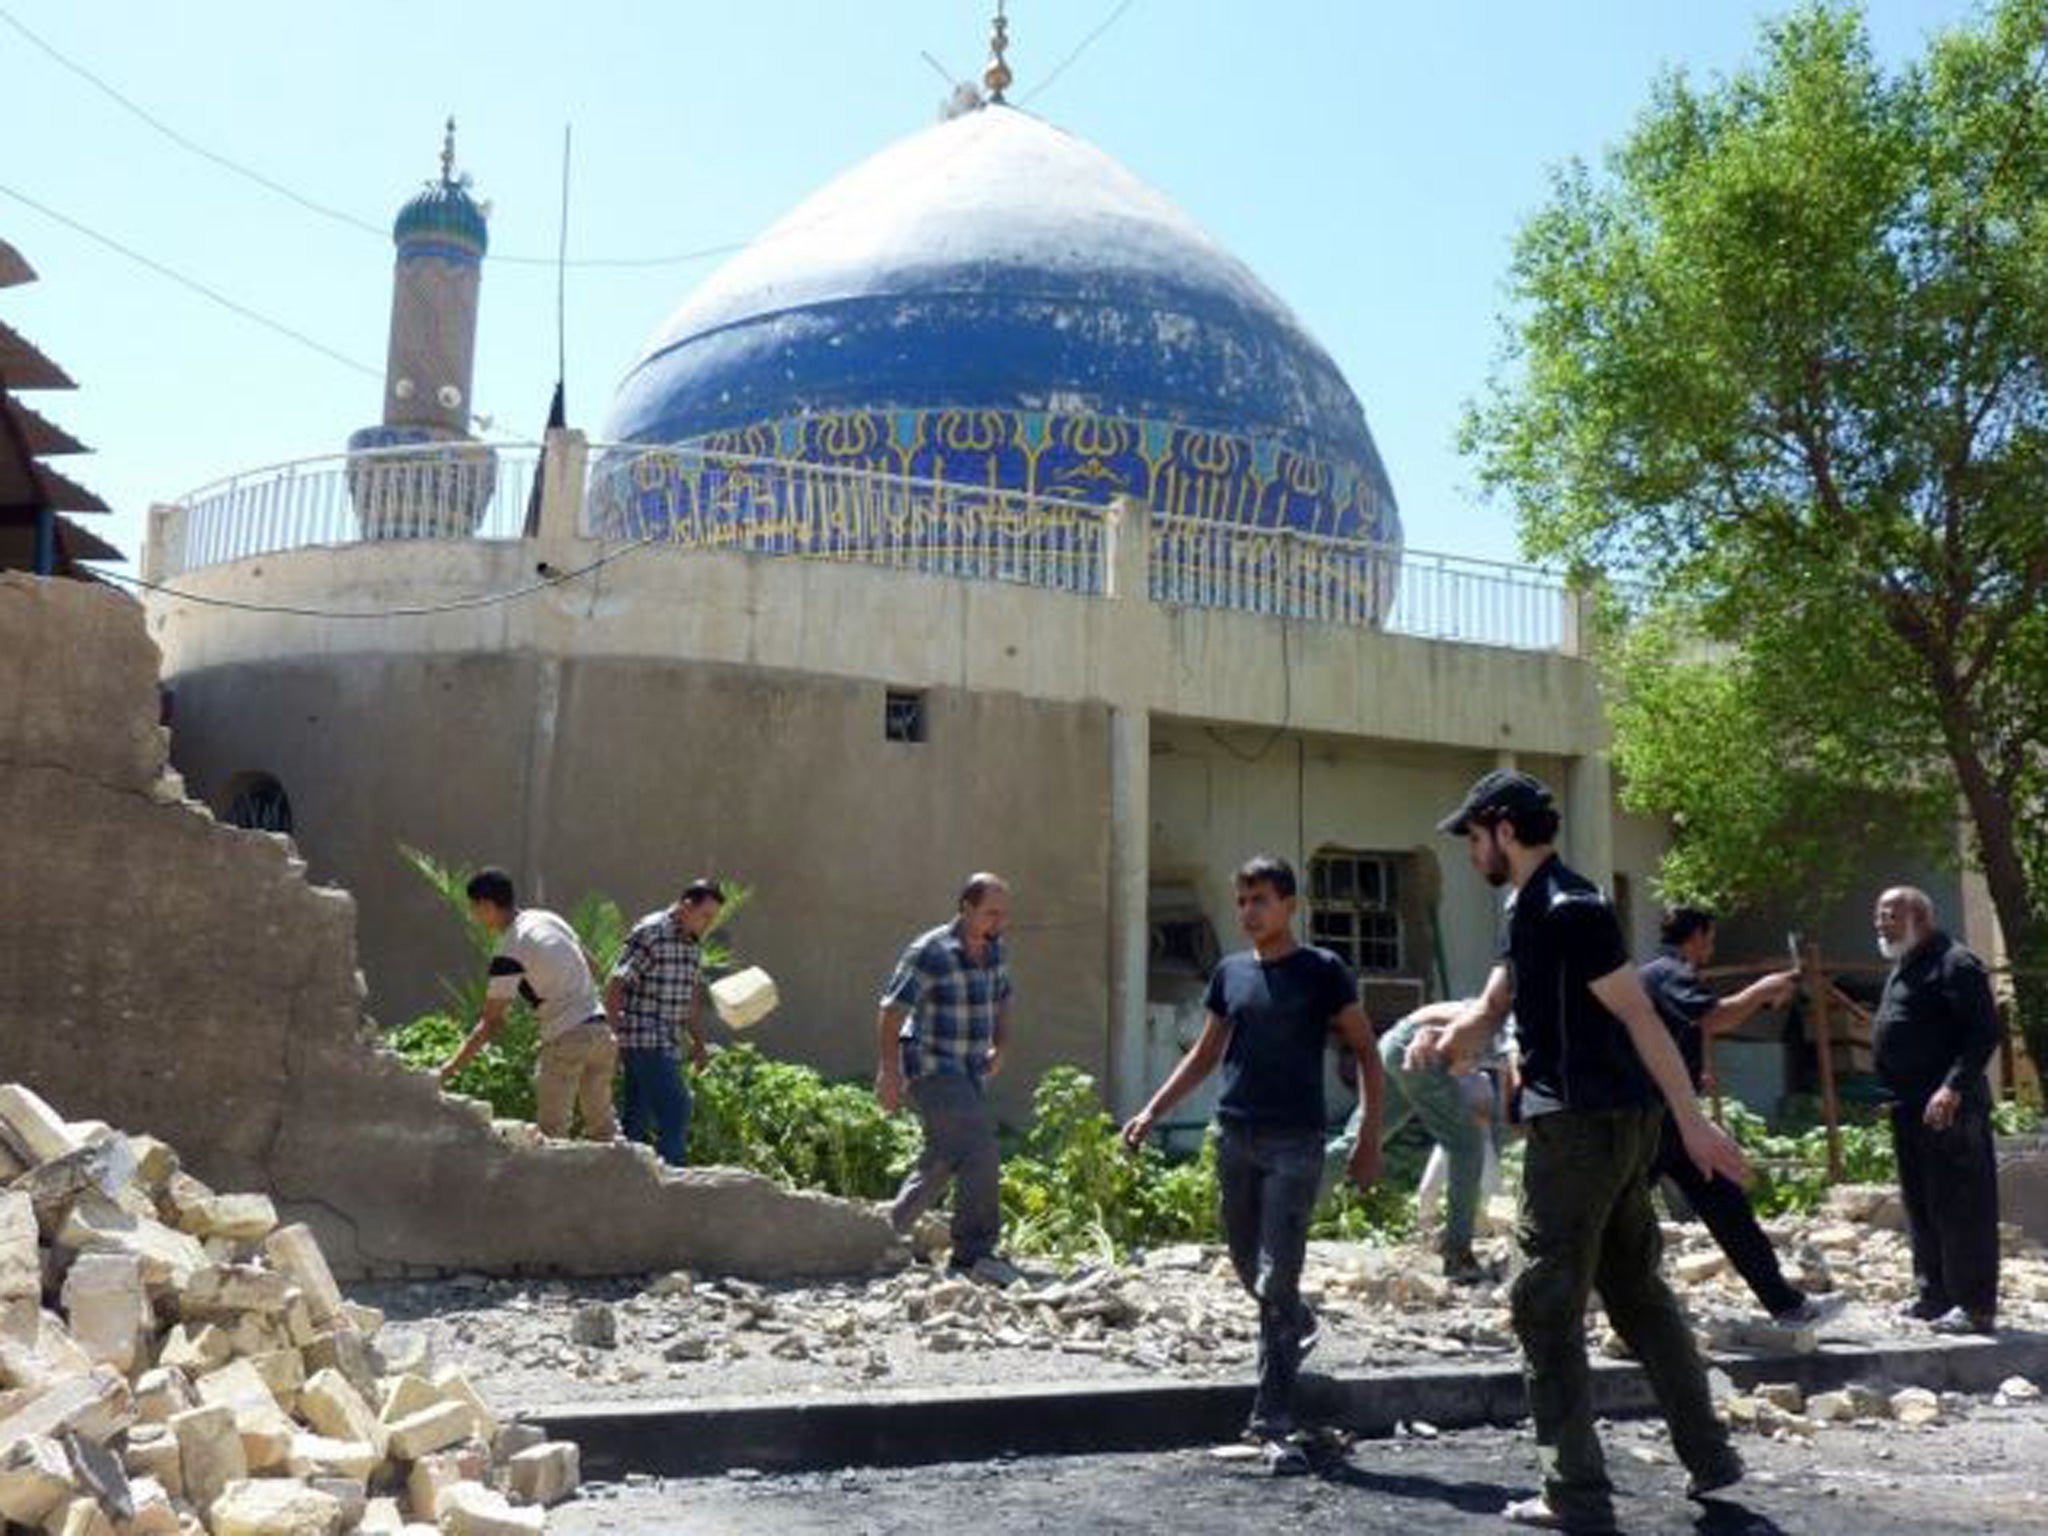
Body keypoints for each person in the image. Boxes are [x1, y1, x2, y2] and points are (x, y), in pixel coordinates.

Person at [1407, 770, 1748, 1533]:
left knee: (1542, 1304)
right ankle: (1710, 1456)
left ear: (1501, 827)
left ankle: (1575, 1495)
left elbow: (1640, 1016)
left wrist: (1692, 1123)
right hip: (1603, 1130)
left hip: (1587, 1132)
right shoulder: (1523, 905)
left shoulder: (1573, 906)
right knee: (1634, 1290)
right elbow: (1498, 1002)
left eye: (1472, 837)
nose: (1468, 852)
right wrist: (1451, 1038)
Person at [1122, 855, 1383, 1475]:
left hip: (1296, 1144)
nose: (1248, 912)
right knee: (1248, 1265)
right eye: (1241, 901)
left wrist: (1369, 1136)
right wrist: (1152, 1110)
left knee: (1275, 1280)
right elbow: (1207, 1053)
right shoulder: (1231, 973)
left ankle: (1272, 1421)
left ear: (1289, 904)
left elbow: (1368, 1053)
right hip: (1234, 1138)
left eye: (1260, 900)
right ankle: (1296, 1324)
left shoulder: (1322, 971)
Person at [1639, 907, 1839, 1326]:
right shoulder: (1669, 971)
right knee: (1621, 1214)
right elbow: (1713, 1016)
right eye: (1709, 939)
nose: (1710, 949)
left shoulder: (1656, 975)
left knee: (1725, 1207)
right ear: (1697, 936)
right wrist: (1763, 989)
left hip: (1668, 1117)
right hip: (1659, 1120)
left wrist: (1694, 1075)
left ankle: (1786, 1305)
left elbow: (1680, 1034)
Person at [1872, 886, 2002, 1336]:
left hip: (1950, 1108)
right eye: (1879, 915)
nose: (1880, 923)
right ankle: (1935, 1295)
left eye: (1889, 915)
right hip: (1909, 1107)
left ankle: (1974, 1305)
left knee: (1962, 1206)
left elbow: (1983, 1033)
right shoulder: (1907, 963)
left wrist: (1952, 1088)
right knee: (1922, 1203)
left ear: (1919, 916)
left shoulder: (1955, 963)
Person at [876, 873, 1016, 1283]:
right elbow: (891, 1010)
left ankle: (883, 1233)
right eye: (991, 913)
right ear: (966, 908)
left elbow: (1004, 998)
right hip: (931, 1065)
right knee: (980, 1150)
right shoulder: (930, 951)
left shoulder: (995, 951)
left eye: (1003, 915)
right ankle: (973, 1254)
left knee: (943, 1157)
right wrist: (889, 1071)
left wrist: (1001, 1045)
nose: (998, 922)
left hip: (970, 1069)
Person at [1324, 999, 1503, 1283]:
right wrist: (1429, 1035)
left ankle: (1282, 1196)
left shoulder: (1512, 1022)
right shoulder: (1501, 1010)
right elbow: (1462, 1019)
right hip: (1414, 1046)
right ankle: (1457, 1252)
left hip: (1395, 1042)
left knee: (1360, 1140)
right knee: (1467, 1145)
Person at [438, 868, 617, 1142]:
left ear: (486, 906)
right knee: (604, 1132)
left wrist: (447, 1070)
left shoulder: (509, 949)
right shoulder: (547, 918)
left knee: (551, 1134)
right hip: (602, 1033)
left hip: (566, 1039)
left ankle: (552, 1186)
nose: (472, 916)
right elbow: (592, 966)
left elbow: (490, 1022)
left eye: (473, 909)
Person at [605, 878, 724, 1166]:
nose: (708, 924)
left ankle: (622, 1179)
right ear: (686, 905)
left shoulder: (693, 945)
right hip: (642, 1036)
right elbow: (617, 983)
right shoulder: (652, 932)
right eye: (705, 915)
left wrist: (698, 1042)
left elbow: (690, 997)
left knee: (637, 1117)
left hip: (667, 1040)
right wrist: (610, 1034)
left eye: (713, 918)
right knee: (677, 1107)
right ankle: (673, 1182)